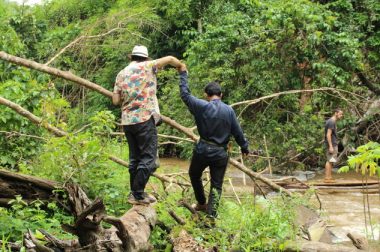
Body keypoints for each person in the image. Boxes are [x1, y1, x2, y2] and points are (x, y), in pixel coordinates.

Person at [112, 45, 184, 205]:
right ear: (146, 57)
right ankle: (137, 194)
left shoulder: (121, 73)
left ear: (132, 57)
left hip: (127, 121)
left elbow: (115, 100)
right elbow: (171, 59)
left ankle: (136, 193)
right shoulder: (148, 66)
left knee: (135, 159)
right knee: (149, 158)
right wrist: (181, 67)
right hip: (144, 119)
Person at [177, 64, 249, 218]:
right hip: (220, 153)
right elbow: (237, 132)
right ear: (221, 95)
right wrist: (244, 147)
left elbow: (185, 94)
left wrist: (183, 74)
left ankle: (201, 202)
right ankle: (211, 216)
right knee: (217, 185)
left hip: (203, 149)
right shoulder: (229, 110)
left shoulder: (201, 106)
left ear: (206, 95)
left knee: (194, 174)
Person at [324, 108, 344, 183]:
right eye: (340, 114)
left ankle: (329, 177)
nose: (341, 115)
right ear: (336, 113)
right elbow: (328, 135)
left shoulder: (332, 121)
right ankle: (327, 178)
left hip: (333, 143)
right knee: (329, 161)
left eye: (342, 114)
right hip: (332, 144)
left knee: (331, 160)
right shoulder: (331, 122)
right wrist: (331, 146)